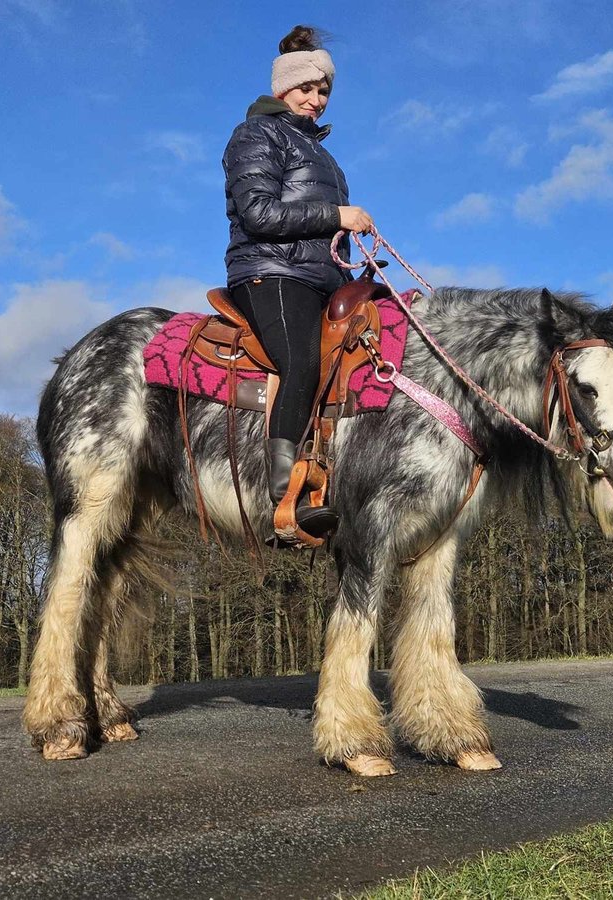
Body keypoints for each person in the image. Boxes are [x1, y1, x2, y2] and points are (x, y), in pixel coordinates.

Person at [222, 24, 373, 537]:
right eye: (307, 88)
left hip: (319, 278)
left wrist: (357, 268)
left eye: (324, 90)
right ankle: (284, 495)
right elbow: (259, 213)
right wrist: (337, 214)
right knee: (301, 359)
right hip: (270, 272)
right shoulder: (255, 135)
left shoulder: (325, 157)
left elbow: (324, 232)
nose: (316, 99)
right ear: (282, 89)